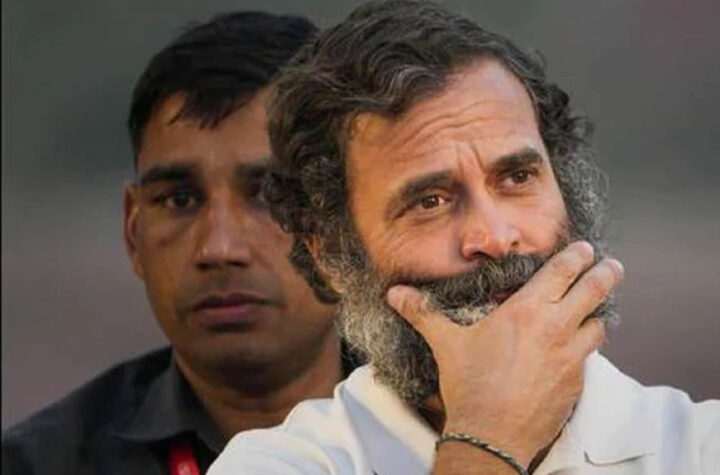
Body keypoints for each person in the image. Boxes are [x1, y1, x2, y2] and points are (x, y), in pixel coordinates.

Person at [208, 2, 720, 474]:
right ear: (331, 257)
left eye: (517, 177)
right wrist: (488, 437)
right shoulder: (276, 464)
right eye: (429, 201)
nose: (495, 237)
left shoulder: (702, 446)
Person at [2, 11, 359, 475]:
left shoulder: (438, 435)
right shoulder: (38, 465)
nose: (219, 248)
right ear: (133, 232)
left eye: (269, 195)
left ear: (348, 220)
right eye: (180, 199)